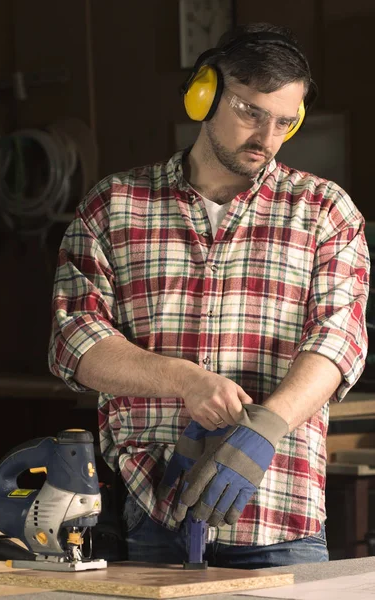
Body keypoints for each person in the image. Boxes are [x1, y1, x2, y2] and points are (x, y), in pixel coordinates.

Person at [48, 22, 370, 569]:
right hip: (151, 516)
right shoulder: (114, 207)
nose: (266, 138)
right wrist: (186, 381)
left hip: (280, 521)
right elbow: (75, 343)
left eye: (284, 123)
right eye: (250, 111)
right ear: (205, 94)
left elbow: (340, 340)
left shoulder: (324, 212)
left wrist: (267, 427)